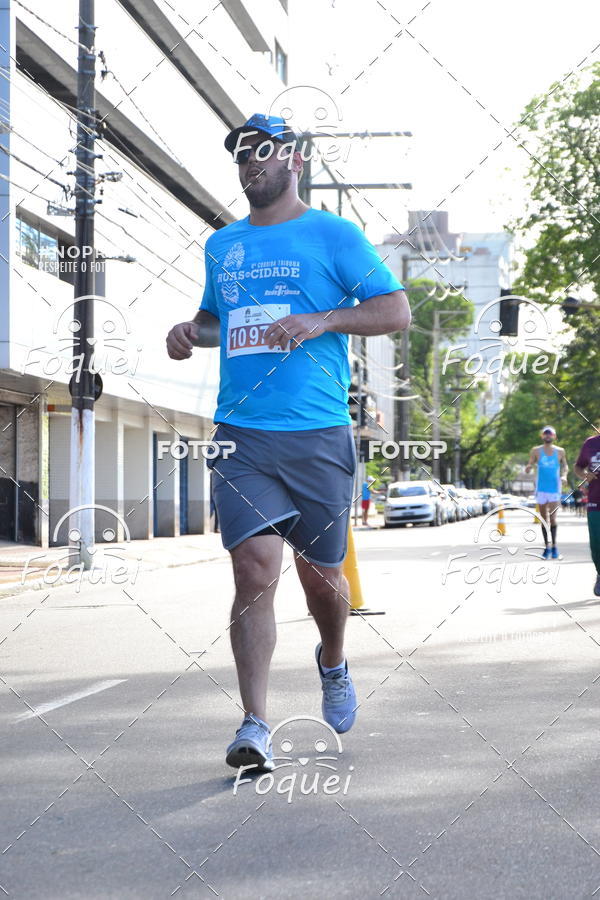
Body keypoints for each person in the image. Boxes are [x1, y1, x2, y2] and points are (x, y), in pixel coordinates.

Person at [166, 114, 410, 771]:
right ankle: (254, 723)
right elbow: (218, 320)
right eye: (243, 156)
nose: (252, 166)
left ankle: (332, 660)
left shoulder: (334, 234)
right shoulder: (224, 246)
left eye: (263, 154)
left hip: (320, 433)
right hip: (243, 433)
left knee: (322, 580)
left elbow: (395, 310)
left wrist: (321, 319)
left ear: (293, 159)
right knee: (253, 572)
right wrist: (190, 333)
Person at [525, 426, 568, 559]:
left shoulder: (560, 451)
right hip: (541, 489)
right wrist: (528, 467)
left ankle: (554, 547)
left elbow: (565, 466)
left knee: (553, 518)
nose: (548, 436)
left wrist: (564, 475)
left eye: (550, 434)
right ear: (542, 436)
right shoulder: (536, 451)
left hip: (554, 489)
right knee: (544, 519)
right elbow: (530, 463)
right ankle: (546, 548)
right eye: (545, 434)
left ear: (554, 436)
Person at [573, 430, 600, 597]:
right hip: (595, 501)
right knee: (596, 542)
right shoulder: (590, 443)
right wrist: (584, 475)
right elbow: (578, 466)